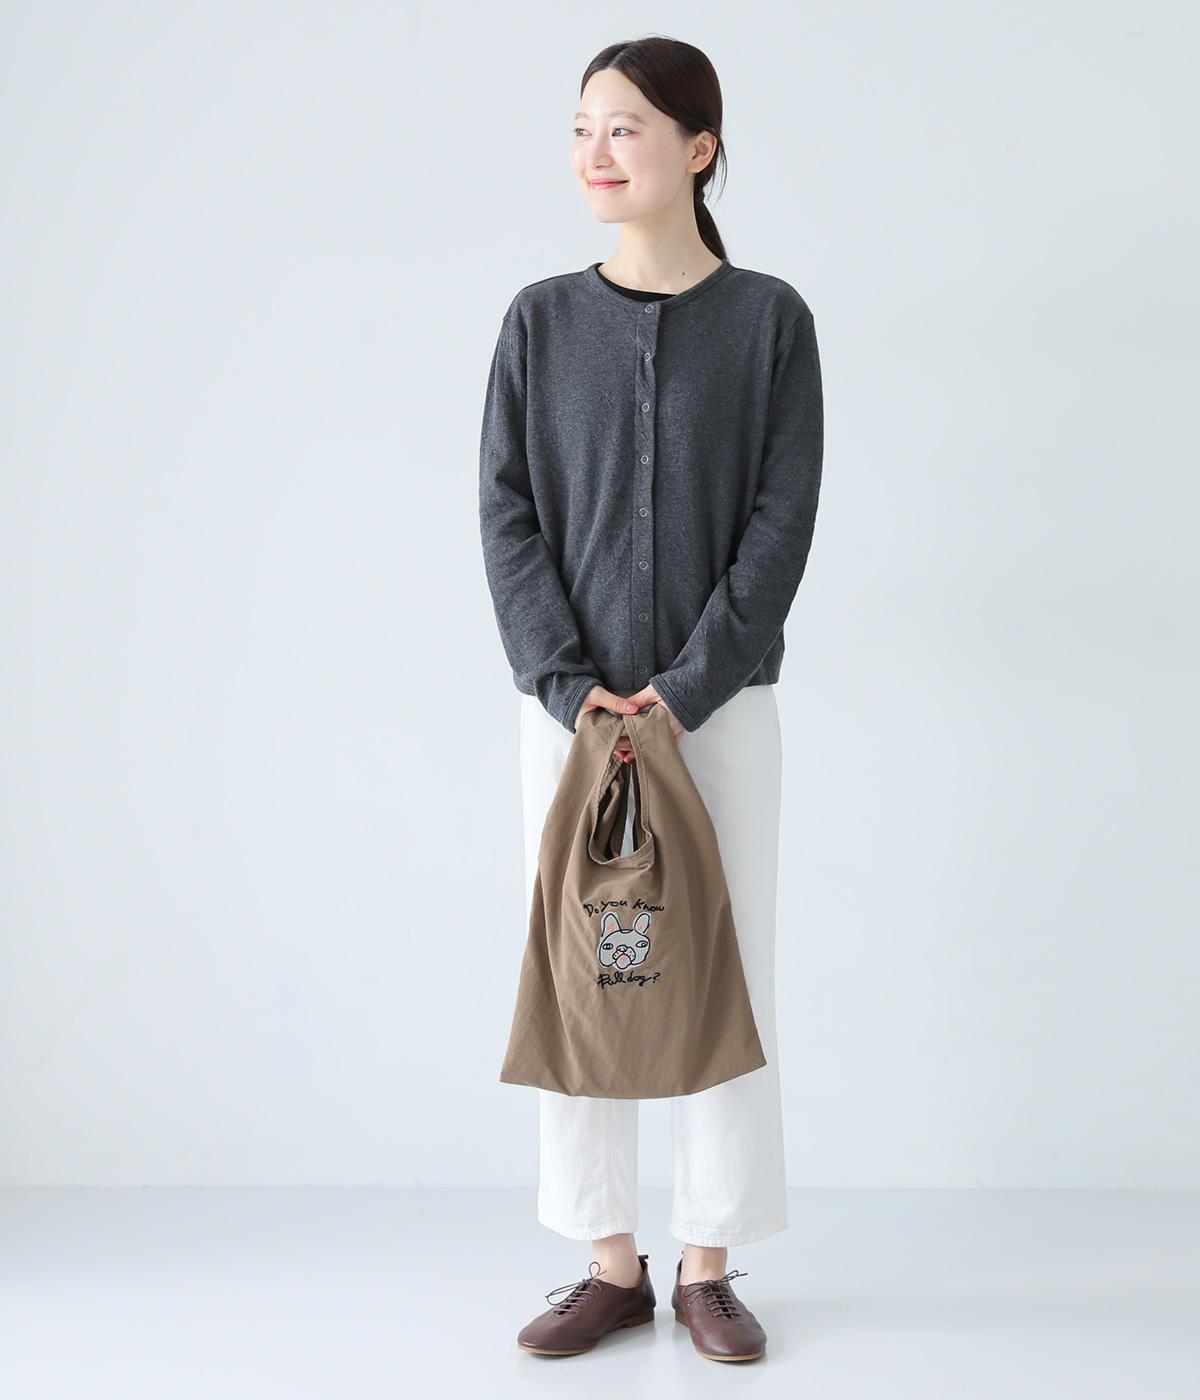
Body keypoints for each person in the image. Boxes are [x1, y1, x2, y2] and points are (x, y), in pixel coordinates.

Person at [478, 34, 824, 1363]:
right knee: (583, 967)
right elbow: (506, 513)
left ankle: (710, 1263)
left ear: (699, 147)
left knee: (730, 969)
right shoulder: (539, 323)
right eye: (582, 128)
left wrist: (682, 691)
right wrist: (571, 686)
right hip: (568, 720)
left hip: (718, 715)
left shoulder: (771, 323)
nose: (595, 153)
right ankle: (608, 1260)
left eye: (623, 128)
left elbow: (781, 525)